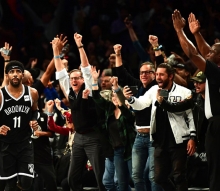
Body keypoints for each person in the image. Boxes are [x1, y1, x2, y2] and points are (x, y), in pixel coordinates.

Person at [124, 63, 196, 191]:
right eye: (157, 74)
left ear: (171, 76)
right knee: (158, 177)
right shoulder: (153, 90)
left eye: (161, 74)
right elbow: (141, 104)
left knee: (179, 176)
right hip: (159, 141)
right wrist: (130, 99)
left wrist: (192, 137)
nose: (158, 77)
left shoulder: (184, 92)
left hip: (179, 140)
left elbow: (190, 116)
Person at [172, 10, 220, 191]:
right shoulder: (217, 68)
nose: (207, 53)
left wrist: (179, 31)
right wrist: (196, 33)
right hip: (215, 123)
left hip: (217, 125)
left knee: (216, 170)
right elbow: (208, 51)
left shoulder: (216, 72)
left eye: (211, 53)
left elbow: (193, 54)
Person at [53, 33, 105, 191]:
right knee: (72, 178)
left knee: (100, 177)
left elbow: (86, 67)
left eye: (77, 78)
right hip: (79, 138)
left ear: (83, 79)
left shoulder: (88, 87)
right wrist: (56, 51)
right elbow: (61, 71)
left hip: (93, 137)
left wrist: (80, 45)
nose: (74, 80)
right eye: (72, 78)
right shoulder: (69, 90)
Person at [113, 43, 162, 191]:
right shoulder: (138, 86)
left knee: (153, 176)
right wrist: (118, 54)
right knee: (136, 176)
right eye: (141, 72)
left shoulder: (158, 87)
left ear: (154, 74)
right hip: (139, 136)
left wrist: (155, 47)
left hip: (155, 137)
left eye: (147, 72)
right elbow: (121, 73)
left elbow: (162, 67)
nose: (143, 75)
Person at [0, 60, 39, 191]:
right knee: (10, 184)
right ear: (7, 76)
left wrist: (33, 120)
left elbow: (35, 111)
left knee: (27, 181)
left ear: (22, 75)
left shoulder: (32, 93)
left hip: (25, 143)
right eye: (11, 72)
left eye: (18, 71)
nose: (15, 74)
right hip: (6, 146)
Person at [92, 68, 136, 191]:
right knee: (120, 184)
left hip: (130, 149)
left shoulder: (127, 112)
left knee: (135, 179)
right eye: (113, 96)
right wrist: (95, 80)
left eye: (117, 96)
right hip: (116, 151)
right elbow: (97, 98)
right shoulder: (109, 110)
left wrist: (117, 88)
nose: (115, 98)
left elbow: (125, 109)